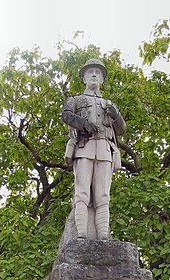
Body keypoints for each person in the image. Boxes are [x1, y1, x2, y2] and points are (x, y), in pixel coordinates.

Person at [62, 58, 126, 239]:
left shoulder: (109, 104)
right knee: (82, 192)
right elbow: (66, 115)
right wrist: (84, 124)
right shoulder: (75, 100)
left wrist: (116, 115)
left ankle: (103, 236)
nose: (94, 75)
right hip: (84, 147)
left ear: (102, 79)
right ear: (84, 78)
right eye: (90, 72)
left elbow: (121, 129)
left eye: (98, 72)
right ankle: (81, 235)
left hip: (105, 150)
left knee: (103, 196)